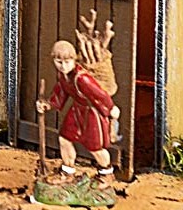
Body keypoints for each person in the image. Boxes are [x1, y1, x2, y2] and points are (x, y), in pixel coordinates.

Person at [35, 39, 120, 186]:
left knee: (95, 147)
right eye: (59, 62)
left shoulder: (82, 78)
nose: (63, 66)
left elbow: (100, 95)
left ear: (74, 60)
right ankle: (67, 172)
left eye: (67, 62)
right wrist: (48, 104)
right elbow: (61, 92)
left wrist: (111, 108)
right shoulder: (63, 76)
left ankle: (106, 174)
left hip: (93, 114)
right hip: (77, 111)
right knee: (65, 138)